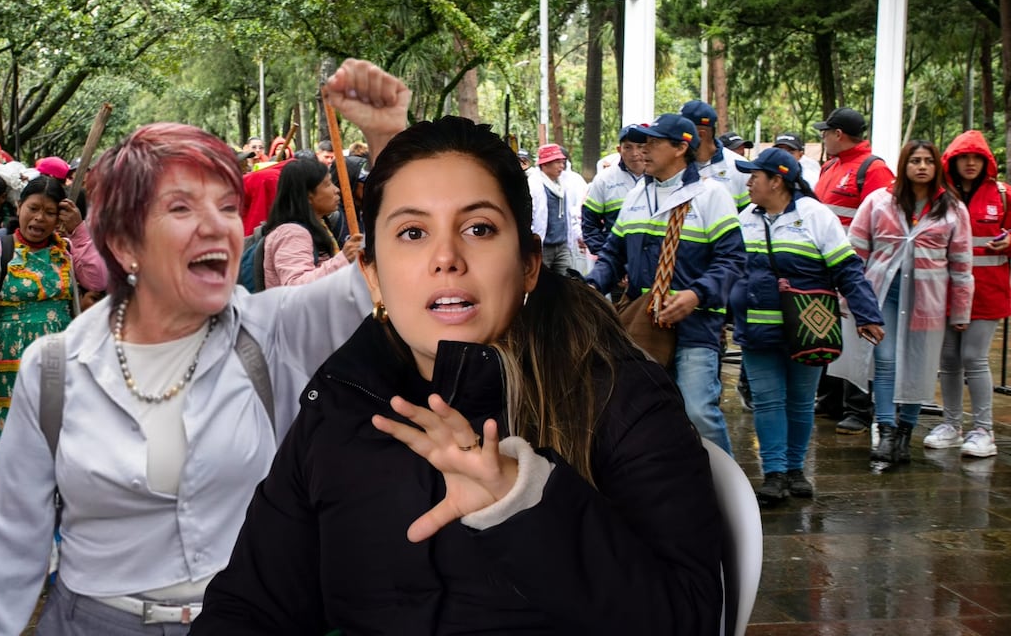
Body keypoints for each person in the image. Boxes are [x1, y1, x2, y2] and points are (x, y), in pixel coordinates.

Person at [197, 110, 722, 634]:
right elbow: (250, 605)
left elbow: (688, 617)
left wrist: (523, 499)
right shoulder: (340, 403)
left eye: (478, 228)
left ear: (528, 264)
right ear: (373, 277)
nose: (446, 257)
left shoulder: (620, 397)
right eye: (412, 232)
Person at [0, 60, 395, 633]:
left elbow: (399, 262)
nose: (218, 226)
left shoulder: (273, 332)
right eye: (181, 208)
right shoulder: (56, 368)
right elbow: (12, 533)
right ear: (122, 241)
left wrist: (389, 139)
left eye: (227, 206)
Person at [729, 149, 883, 505]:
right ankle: (775, 473)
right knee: (768, 402)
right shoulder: (744, 219)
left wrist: (867, 315)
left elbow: (847, 270)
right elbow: (728, 270)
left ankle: (796, 469)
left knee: (800, 403)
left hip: (809, 330)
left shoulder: (817, 217)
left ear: (777, 181)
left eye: (755, 176)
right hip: (757, 330)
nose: (749, 183)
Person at [587, 113, 746, 455]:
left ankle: (730, 495)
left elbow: (732, 261)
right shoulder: (636, 197)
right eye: (641, 143)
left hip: (695, 323)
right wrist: (590, 286)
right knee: (647, 412)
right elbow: (613, 255)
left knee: (698, 411)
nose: (642, 151)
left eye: (653, 143)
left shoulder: (710, 196)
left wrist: (695, 294)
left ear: (680, 148)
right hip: (645, 323)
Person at [830, 140, 973, 467]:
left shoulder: (952, 209)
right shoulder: (879, 202)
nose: (921, 167)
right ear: (904, 165)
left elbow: (962, 264)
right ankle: (887, 429)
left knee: (920, 365)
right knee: (886, 360)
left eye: (928, 161)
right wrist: (847, 296)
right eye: (915, 161)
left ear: (936, 167)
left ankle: (906, 431)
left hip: (928, 300)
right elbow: (855, 253)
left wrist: (961, 310)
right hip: (882, 296)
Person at [0, 176, 107, 441]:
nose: (40, 218)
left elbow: (97, 280)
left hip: (60, 363)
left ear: (59, 218)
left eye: (50, 212)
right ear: (19, 207)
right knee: (13, 445)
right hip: (9, 364)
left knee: (57, 443)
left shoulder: (66, 250)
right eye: (33, 208)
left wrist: (80, 232)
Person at [811, 108, 894, 435]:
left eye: (826, 132)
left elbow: (883, 220)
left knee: (857, 339)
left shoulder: (873, 170)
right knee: (828, 332)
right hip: (823, 268)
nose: (824, 138)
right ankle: (830, 398)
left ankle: (859, 408)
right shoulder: (831, 166)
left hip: (853, 269)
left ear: (839, 134)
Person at [926, 131, 1009, 458]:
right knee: (948, 359)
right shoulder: (940, 196)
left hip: (988, 293)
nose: (971, 163)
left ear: (987, 162)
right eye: (965, 157)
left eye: (977, 158)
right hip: (946, 290)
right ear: (953, 161)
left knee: (973, 357)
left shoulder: (1002, 194)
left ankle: (983, 430)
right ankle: (952, 424)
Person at [260, 159, 363, 289]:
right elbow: (296, 286)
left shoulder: (320, 224)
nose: (336, 190)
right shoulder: (291, 234)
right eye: (327, 184)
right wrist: (343, 259)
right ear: (307, 195)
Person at [581, 125, 645, 257]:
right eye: (628, 147)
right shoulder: (604, 180)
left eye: (640, 146)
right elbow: (589, 223)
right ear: (619, 149)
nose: (635, 153)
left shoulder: (659, 177)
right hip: (617, 262)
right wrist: (606, 256)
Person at [681, 100, 750, 209]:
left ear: (700, 134)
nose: (676, 137)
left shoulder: (739, 168)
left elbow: (749, 218)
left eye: (682, 132)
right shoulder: (674, 164)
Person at [529, 143, 583, 276]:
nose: (561, 166)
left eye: (562, 162)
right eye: (557, 162)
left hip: (562, 244)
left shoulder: (565, 183)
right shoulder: (533, 185)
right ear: (545, 164)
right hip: (544, 246)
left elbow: (572, 213)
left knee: (566, 282)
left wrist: (578, 234)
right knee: (542, 283)